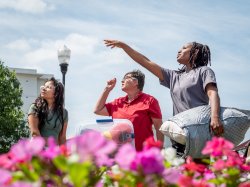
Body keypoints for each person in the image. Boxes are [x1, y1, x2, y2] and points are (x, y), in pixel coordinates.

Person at [104, 40, 224, 155]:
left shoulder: (204, 71)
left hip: (199, 130)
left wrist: (215, 117)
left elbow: (212, 93)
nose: (179, 51)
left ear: (196, 51)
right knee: (180, 172)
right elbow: (145, 61)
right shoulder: (173, 76)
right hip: (179, 133)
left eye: (184, 48)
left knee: (199, 172)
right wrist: (124, 46)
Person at [94, 69, 164, 151]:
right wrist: (107, 89)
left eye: (126, 78)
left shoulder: (150, 101)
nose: (122, 81)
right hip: (120, 154)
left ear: (135, 82)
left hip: (142, 154)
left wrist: (159, 149)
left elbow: (159, 126)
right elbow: (97, 110)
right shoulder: (117, 102)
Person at [28, 77, 68, 145]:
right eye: (44, 86)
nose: (43, 89)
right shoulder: (35, 108)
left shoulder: (64, 113)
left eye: (48, 87)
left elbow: (62, 137)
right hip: (38, 150)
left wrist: (64, 154)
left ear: (56, 93)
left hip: (54, 152)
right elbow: (35, 133)